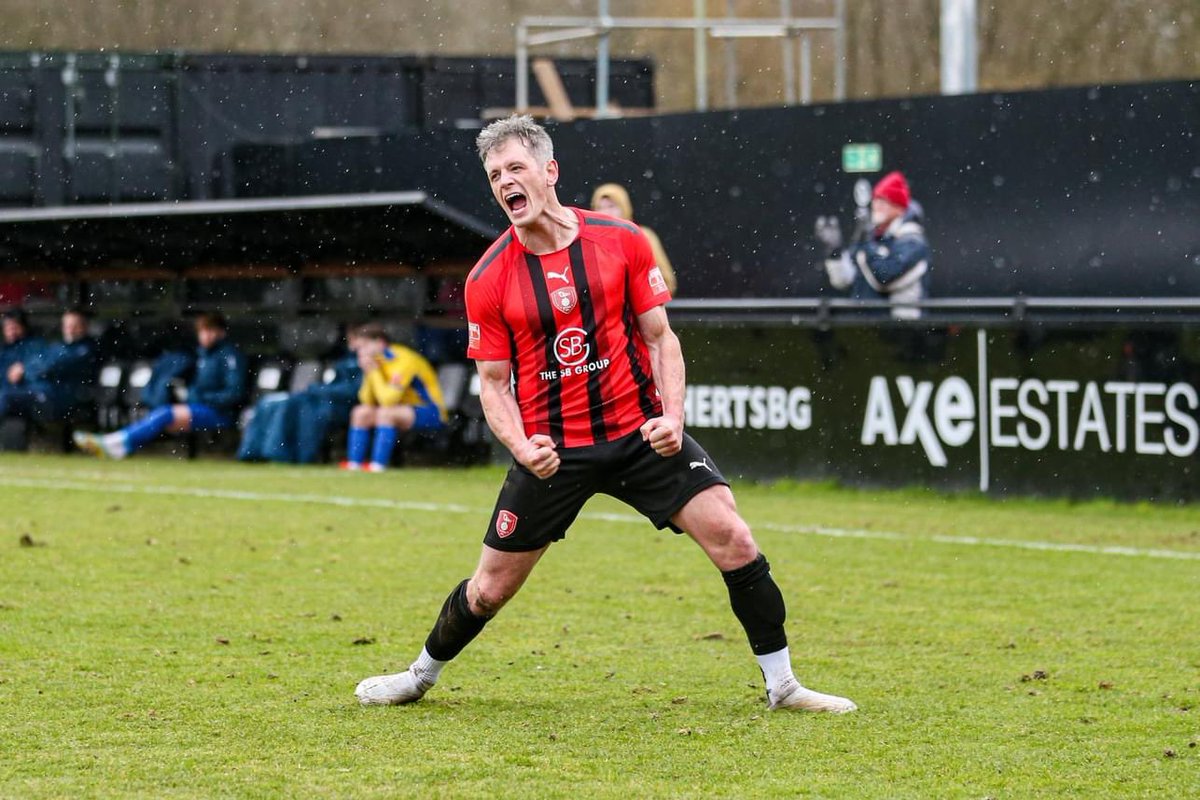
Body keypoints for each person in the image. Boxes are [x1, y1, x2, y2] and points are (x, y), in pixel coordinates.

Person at [354, 115, 856, 714]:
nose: (504, 182)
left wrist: (673, 417)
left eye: (515, 168)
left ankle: (783, 685)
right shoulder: (488, 277)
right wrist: (521, 447)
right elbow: (492, 384)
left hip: (640, 434)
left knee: (734, 537)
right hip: (553, 454)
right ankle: (419, 676)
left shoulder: (621, 240)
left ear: (549, 171)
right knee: (489, 589)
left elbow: (661, 338)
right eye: (494, 175)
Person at [74, 311, 246, 459]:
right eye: (202, 331)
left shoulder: (230, 356)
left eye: (210, 331)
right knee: (160, 415)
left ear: (221, 332)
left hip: (220, 413)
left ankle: (115, 444)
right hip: (200, 407)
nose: (205, 336)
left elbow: (234, 393)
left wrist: (198, 396)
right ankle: (117, 444)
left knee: (164, 414)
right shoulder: (203, 355)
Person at [237, 328, 364, 464]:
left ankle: (279, 452)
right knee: (268, 403)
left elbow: (352, 390)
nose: (352, 341)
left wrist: (317, 389)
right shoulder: (343, 360)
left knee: (294, 407)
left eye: (356, 337)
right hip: (317, 399)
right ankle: (254, 451)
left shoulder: (362, 362)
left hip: (333, 405)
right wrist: (317, 390)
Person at [816, 171, 931, 319]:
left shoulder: (913, 242)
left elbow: (885, 278)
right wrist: (834, 251)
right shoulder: (873, 237)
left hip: (901, 328)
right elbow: (844, 281)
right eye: (876, 200)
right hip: (866, 326)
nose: (876, 206)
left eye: (884, 201)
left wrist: (866, 244)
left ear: (899, 207)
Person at [339, 324, 446, 472]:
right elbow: (366, 400)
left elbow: (388, 400)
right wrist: (370, 373)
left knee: (386, 413)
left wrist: (374, 372)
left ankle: (378, 465)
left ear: (380, 343)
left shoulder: (404, 359)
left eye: (364, 346)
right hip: (400, 408)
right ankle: (354, 464)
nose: (361, 352)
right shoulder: (376, 360)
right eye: (359, 348)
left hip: (430, 410)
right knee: (360, 412)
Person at [0, 308, 98, 424]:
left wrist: (24, 369)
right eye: (67, 326)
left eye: (75, 326)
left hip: (59, 399)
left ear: (85, 326)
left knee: (6, 397)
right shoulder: (57, 347)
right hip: (39, 393)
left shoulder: (85, 350)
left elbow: (51, 366)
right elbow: (41, 361)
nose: (70, 330)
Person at [591, 182, 678, 296]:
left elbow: (666, 282)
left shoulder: (642, 236)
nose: (605, 212)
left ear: (624, 207)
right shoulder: (589, 242)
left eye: (611, 206)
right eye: (599, 208)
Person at [1, 308, 48, 391]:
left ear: (23, 326)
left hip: (31, 391)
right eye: (7, 327)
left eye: (14, 326)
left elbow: (43, 363)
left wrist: (24, 369)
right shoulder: (3, 351)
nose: (11, 331)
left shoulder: (35, 344)